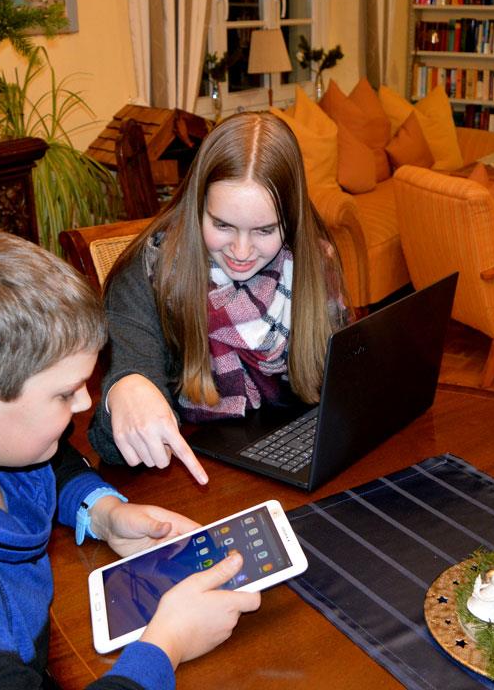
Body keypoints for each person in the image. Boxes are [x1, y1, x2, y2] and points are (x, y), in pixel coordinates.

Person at [0, 228, 260, 688]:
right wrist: (167, 645)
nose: (85, 403)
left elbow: (47, 466)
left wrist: (103, 512)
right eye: (65, 393)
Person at [89, 111, 347, 475]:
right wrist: (125, 388)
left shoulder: (315, 262)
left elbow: (343, 381)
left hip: (291, 460)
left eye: (264, 230)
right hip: (188, 473)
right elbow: (112, 444)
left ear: (292, 220)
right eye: (222, 225)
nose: (241, 252)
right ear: (198, 206)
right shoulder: (146, 276)